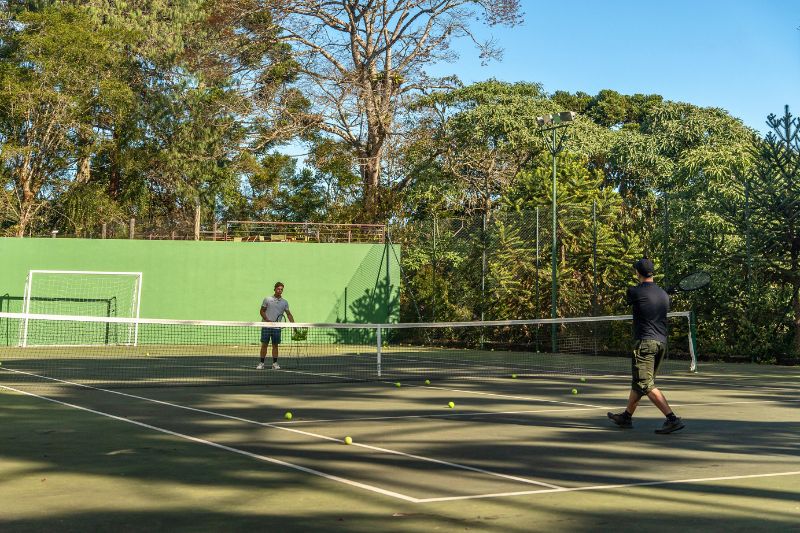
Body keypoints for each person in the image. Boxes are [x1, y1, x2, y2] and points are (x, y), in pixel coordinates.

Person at [607, 258, 685, 434]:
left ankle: (672, 419)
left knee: (645, 383)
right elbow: (652, 300)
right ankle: (626, 417)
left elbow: (635, 298)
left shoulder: (633, 291)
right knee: (639, 383)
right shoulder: (664, 295)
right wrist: (664, 291)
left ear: (637, 273)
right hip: (661, 343)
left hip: (645, 343)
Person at [257, 282, 294, 370]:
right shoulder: (267, 299)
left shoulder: (285, 302)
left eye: (281, 289)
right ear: (275, 289)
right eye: (278, 289)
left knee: (275, 345)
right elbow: (262, 311)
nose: (280, 291)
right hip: (266, 326)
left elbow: (289, 314)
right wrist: (266, 319)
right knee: (264, 345)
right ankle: (261, 363)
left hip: (277, 327)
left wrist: (294, 325)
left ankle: (275, 363)